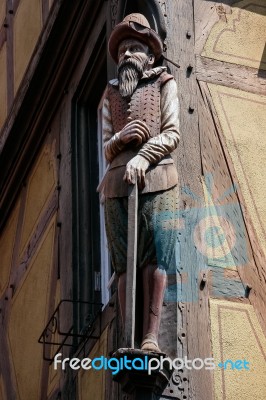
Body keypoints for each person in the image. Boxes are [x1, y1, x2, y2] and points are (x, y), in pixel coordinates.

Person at [102, 13, 180, 352]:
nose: (126, 55)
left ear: (149, 54)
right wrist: (121, 138)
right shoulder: (110, 94)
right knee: (122, 263)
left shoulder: (164, 82)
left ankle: (150, 335)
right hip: (116, 184)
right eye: (121, 50)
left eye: (133, 47)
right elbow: (105, 147)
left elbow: (172, 133)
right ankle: (128, 335)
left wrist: (143, 156)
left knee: (154, 257)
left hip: (159, 177)